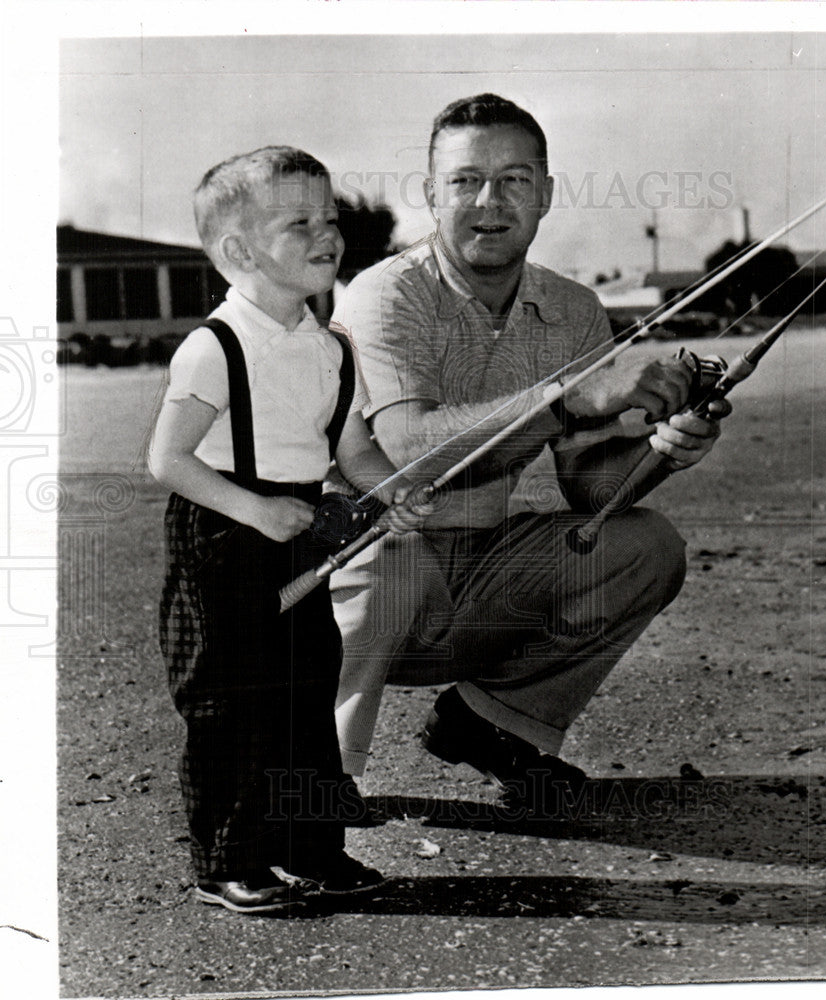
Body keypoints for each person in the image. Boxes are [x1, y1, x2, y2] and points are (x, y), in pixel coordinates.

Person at [330, 94, 729, 811]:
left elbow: (589, 489)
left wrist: (664, 450)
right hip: (352, 584)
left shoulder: (575, 309)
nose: (490, 201)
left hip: (475, 579)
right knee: (391, 562)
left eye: (514, 179)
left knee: (646, 546)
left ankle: (490, 724)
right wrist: (571, 398)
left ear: (545, 194)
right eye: (465, 180)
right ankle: (326, 776)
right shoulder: (383, 295)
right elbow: (413, 452)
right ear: (430, 195)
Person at [149, 146, 432, 914]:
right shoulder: (215, 346)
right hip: (223, 535)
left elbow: (355, 453)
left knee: (307, 690)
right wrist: (254, 509)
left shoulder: (331, 348)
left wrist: (399, 493)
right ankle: (227, 863)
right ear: (239, 251)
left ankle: (314, 849)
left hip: (301, 530)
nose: (326, 234)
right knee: (231, 706)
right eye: (298, 221)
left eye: (330, 218)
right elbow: (168, 460)